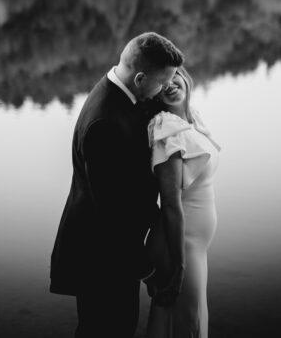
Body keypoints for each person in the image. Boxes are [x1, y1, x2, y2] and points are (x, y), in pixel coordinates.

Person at [50, 32, 185, 338]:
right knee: (107, 330)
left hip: (112, 254)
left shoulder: (121, 94)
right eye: (161, 82)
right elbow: (114, 214)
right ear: (139, 78)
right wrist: (148, 269)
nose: (164, 89)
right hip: (100, 259)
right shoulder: (104, 124)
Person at [144, 66, 221, 338]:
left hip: (195, 245)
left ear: (185, 74)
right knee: (188, 323)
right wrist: (178, 266)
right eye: (160, 81)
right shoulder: (166, 127)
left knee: (183, 318)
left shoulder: (190, 118)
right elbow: (170, 202)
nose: (169, 84)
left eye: (173, 74)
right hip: (181, 246)